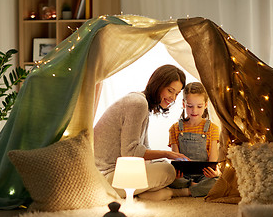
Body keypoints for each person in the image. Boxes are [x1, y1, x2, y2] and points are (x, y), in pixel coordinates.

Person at [94, 64, 189, 201]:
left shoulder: (142, 103)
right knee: (167, 171)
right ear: (158, 84)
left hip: (116, 174)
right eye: (170, 91)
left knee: (167, 167)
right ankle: (178, 192)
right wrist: (167, 154)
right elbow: (130, 152)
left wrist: (165, 160)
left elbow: (144, 147)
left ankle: (144, 193)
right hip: (107, 178)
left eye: (177, 93)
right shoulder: (138, 104)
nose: (173, 98)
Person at [168, 82, 220, 197]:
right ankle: (194, 187)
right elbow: (175, 156)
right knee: (169, 178)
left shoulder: (213, 128)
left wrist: (214, 172)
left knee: (216, 182)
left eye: (199, 106)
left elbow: (213, 159)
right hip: (184, 175)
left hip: (204, 175)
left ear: (205, 105)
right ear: (183, 103)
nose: (194, 111)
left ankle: (186, 191)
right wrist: (176, 172)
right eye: (190, 106)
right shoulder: (175, 128)